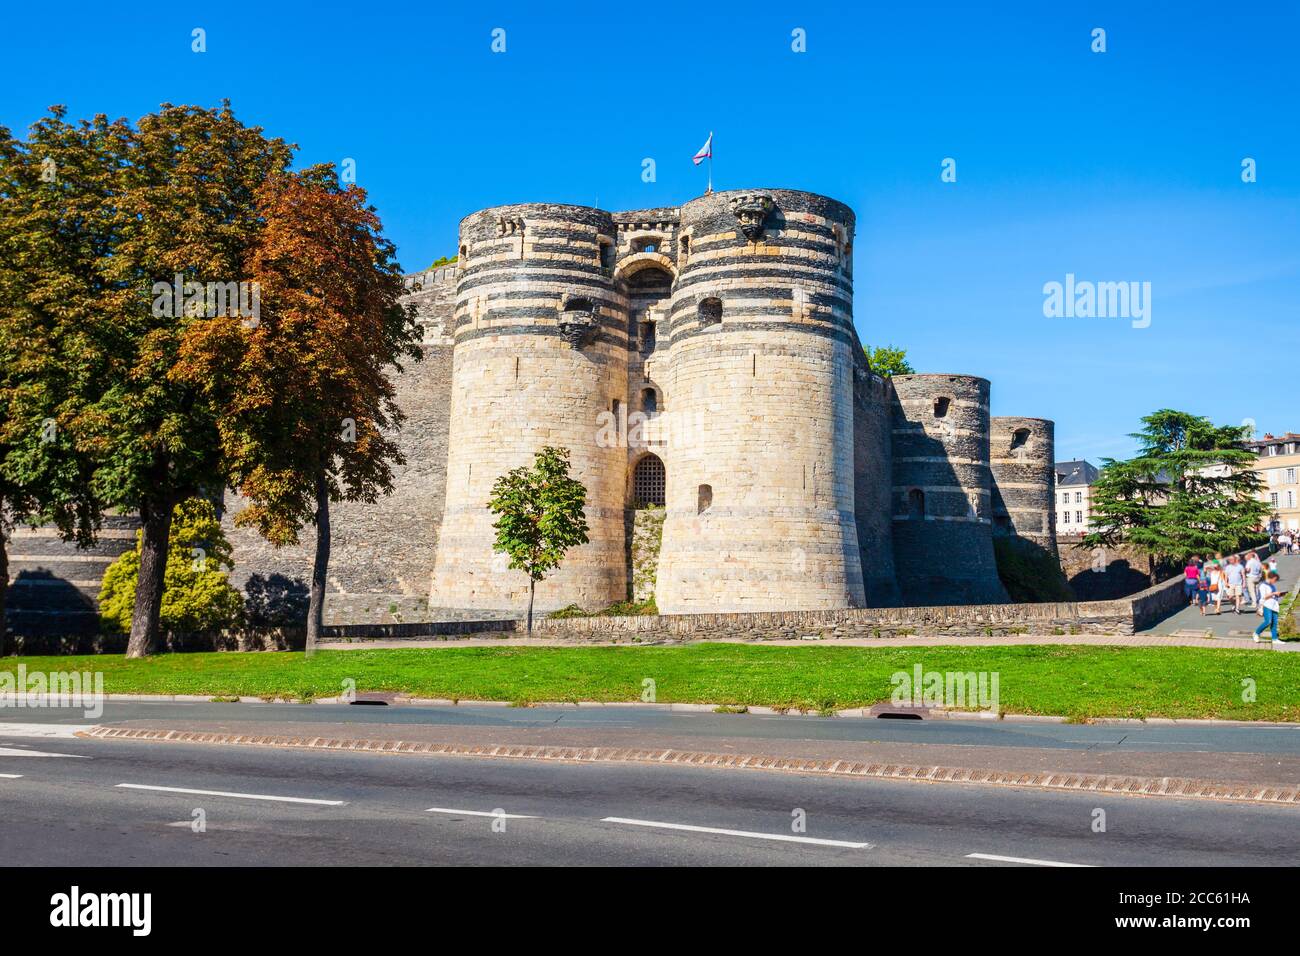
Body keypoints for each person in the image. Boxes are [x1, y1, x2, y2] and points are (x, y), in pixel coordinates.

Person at [1254, 571, 1285, 646]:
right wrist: (1274, 593)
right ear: (1271, 578)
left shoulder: (1272, 586)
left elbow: (1272, 596)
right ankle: (1256, 633)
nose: (1275, 581)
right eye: (1275, 579)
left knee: (1274, 623)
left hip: (1274, 605)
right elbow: (1264, 597)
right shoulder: (1263, 585)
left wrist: (1279, 595)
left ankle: (1275, 639)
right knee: (1268, 621)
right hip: (1266, 605)